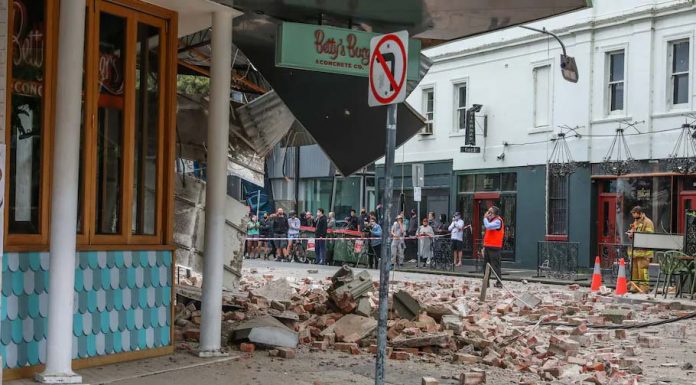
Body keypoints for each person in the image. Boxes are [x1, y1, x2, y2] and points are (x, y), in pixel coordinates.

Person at [627, 206, 654, 292]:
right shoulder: (636, 222)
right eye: (632, 214)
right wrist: (630, 234)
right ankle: (634, 287)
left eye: (634, 213)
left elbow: (649, 235)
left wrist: (636, 233)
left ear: (640, 213)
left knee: (642, 270)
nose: (633, 215)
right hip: (635, 251)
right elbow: (634, 232)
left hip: (644, 252)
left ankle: (644, 288)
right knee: (634, 270)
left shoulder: (648, 222)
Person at [483, 206, 505, 288]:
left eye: (490, 212)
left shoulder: (498, 221)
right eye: (488, 211)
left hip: (495, 247)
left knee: (495, 265)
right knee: (486, 265)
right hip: (488, 246)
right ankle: (486, 282)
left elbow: (488, 226)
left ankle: (499, 283)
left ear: (495, 214)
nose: (488, 213)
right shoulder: (492, 220)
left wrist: (485, 218)